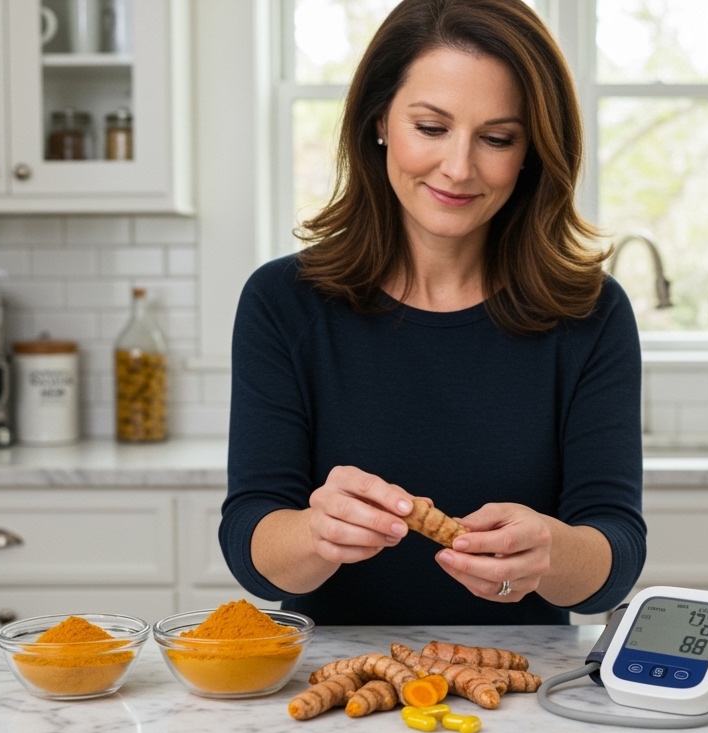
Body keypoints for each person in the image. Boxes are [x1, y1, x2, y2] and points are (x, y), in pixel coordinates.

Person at [220, 0, 644, 625]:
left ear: (531, 152)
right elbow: (250, 542)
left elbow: (616, 552)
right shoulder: (283, 302)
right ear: (380, 120)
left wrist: (552, 554)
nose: (458, 167)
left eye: (497, 138)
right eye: (431, 127)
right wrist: (316, 533)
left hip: (520, 690)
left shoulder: (590, 312)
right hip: (336, 685)